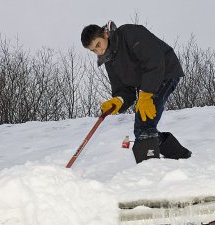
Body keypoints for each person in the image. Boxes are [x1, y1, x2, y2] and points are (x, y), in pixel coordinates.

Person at [81, 21, 191, 163]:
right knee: (144, 125)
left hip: (164, 71)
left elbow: (154, 60)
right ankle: (180, 154)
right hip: (146, 83)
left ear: (105, 34)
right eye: (94, 50)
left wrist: (145, 95)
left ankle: (149, 168)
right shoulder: (109, 60)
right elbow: (124, 90)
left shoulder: (129, 33)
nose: (99, 51)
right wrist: (118, 101)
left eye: (98, 45)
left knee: (144, 124)